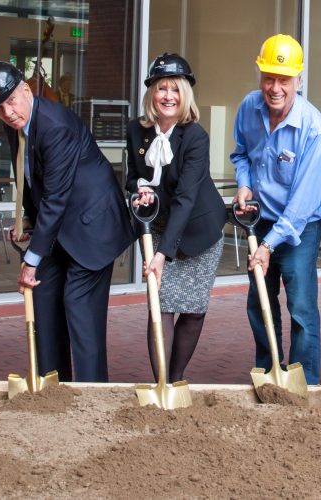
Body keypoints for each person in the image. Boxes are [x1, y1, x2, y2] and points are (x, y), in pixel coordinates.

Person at [0, 61, 135, 383]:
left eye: (11, 100)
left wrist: (31, 261)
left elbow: (56, 197)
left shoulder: (54, 125)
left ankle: (93, 397)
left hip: (93, 227)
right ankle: (52, 389)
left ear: (25, 89)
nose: (7, 111)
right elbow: (32, 177)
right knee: (45, 300)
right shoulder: (14, 122)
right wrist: (28, 220)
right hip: (61, 226)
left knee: (78, 308)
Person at [230, 34, 321, 384]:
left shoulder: (313, 128)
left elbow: (302, 203)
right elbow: (241, 152)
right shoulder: (248, 107)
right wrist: (243, 183)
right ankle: (269, 371)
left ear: (298, 80)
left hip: (299, 228)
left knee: (300, 308)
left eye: (284, 80)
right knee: (259, 303)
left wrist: (269, 246)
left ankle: (305, 382)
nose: (275, 88)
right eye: (269, 77)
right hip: (261, 219)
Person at [125, 53, 226, 383]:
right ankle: (162, 384)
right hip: (159, 226)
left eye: (175, 89)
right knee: (161, 304)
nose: (168, 96)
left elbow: (185, 198)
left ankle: (177, 376)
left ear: (185, 96)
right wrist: (139, 191)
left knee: (193, 310)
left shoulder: (195, 137)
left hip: (199, 230)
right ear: (151, 93)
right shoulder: (136, 131)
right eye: (161, 88)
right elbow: (131, 179)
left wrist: (162, 254)